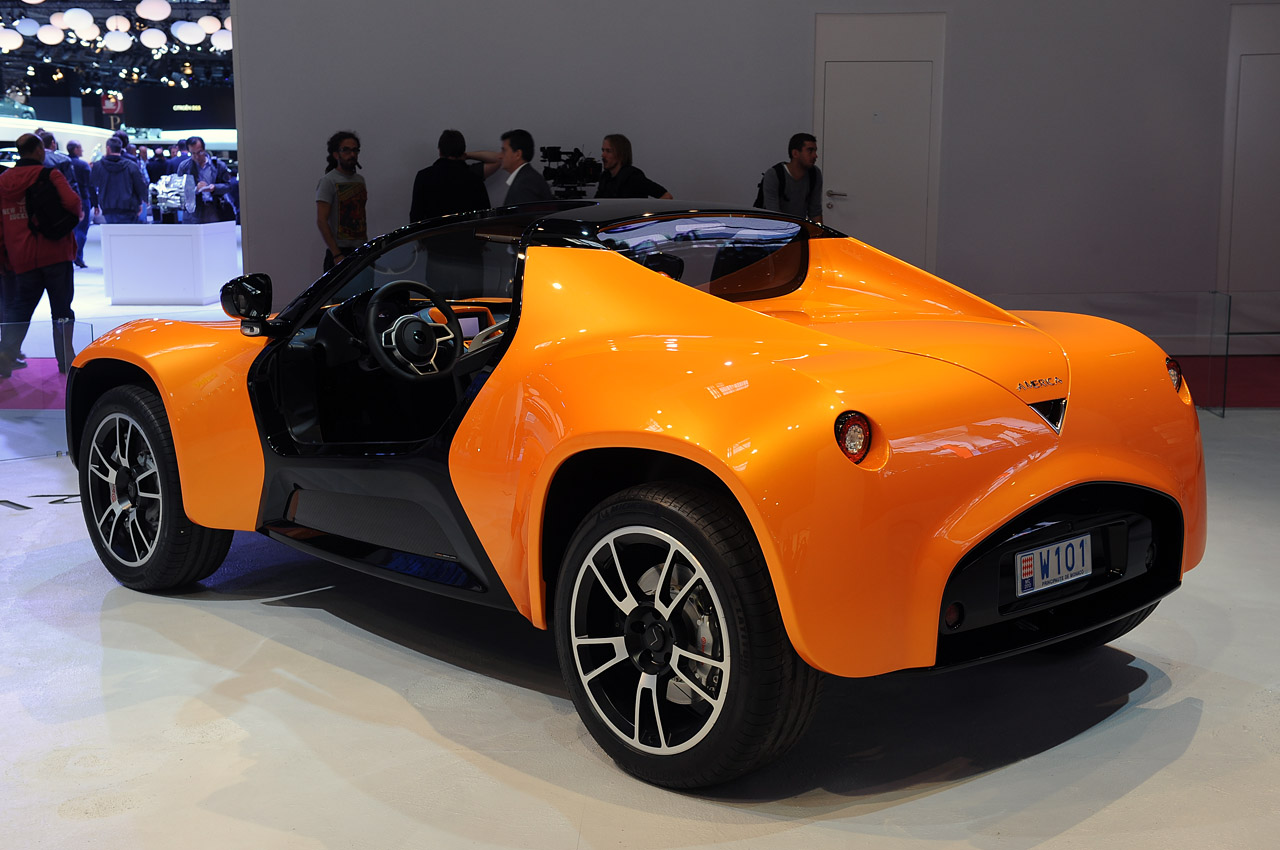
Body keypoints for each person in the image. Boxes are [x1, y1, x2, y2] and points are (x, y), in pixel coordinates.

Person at [0, 134, 82, 377]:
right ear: (38, 150)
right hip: (56, 252)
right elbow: (74, 204)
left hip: (21, 256)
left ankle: (6, 354)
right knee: (62, 310)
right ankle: (66, 360)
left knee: (20, 309)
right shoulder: (50, 175)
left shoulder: (3, 181)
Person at [409, 129, 490, 222]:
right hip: (466, 230)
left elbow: (415, 217)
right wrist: (467, 155)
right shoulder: (474, 179)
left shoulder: (423, 177)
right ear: (463, 152)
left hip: (434, 230)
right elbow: (485, 217)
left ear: (440, 151)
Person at [316, 130, 367, 271]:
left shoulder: (360, 181)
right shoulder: (328, 181)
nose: (352, 154)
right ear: (336, 154)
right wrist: (336, 254)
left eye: (355, 150)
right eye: (346, 150)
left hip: (361, 251)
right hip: (340, 252)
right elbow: (321, 220)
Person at [468, 129, 553, 206]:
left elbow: (524, 217)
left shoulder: (524, 184)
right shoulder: (527, 178)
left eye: (504, 151)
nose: (500, 156)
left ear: (517, 154)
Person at [760, 132, 823, 223]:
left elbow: (815, 212)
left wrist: (819, 231)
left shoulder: (814, 174)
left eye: (815, 151)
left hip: (798, 226)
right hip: (774, 227)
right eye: (810, 151)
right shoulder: (774, 175)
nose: (815, 155)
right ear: (795, 153)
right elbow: (773, 215)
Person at [594, 134, 672, 199]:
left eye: (608, 151)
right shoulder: (605, 177)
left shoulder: (633, 177)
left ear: (621, 154)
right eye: (603, 150)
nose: (603, 155)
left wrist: (649, 211)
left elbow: (666, 196)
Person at [91, 136, 148, 224]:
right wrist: (142, 202)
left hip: (108, 207)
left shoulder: (98, 166)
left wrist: (95, 204)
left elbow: (92, 186)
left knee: (112, 231)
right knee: (128, 231)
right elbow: (140, 185)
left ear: (108, 148)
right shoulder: (131, 166)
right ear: (121, 149)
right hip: (129, 207)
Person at [176, 136, 233, 224]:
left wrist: (214, 188)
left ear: (204, 149)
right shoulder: (184, 167)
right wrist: (195, 189)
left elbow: (228, 186)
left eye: (199, 152)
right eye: (193, 153)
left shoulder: (218, 165)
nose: (196, 156)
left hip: (214, 209)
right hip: (193, 212)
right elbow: (178, 190)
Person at [65, 140, 96, 268]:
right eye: (80, 148)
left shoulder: (64, 162)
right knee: (82, 229)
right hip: (83, 198)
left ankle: (69, 255)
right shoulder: (83, 165)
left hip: (67, 198)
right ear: (75, 149)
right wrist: (96, 203)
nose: (82, 150)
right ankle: (78, 257)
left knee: (70, 229)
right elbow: (90, 184)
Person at [40, 132, 79, 196]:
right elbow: (71, 185)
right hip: (58, 198)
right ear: (53, 143)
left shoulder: (34, 160)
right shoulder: (64, 160)